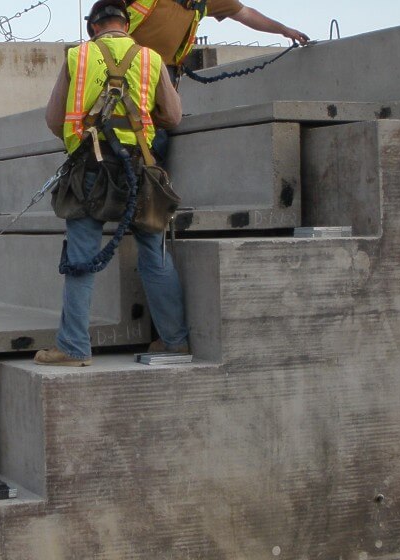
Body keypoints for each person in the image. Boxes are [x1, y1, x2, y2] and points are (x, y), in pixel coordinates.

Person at [36, 0, 191, 367]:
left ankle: (74, 347)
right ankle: (174, 341)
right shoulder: (151, 58)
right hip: (139, 171)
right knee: (154, 256)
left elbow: (54, 119)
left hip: (90, 170)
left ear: (93, 27)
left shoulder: (79, 56)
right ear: (126, 24)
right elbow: (173, 115)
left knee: (81, 261)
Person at [126, 0, 310, 83]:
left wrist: (284, 30)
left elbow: (245, 14)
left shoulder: (205, 1)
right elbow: (103, 16)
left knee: (156, 133)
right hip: (122, 67)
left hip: (163, 73)